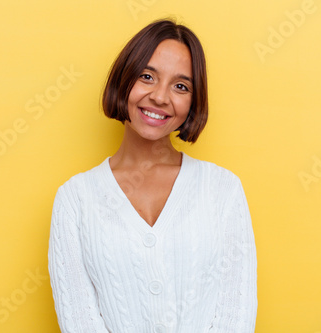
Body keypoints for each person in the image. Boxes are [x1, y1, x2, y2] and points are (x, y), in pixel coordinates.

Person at [48, 18, 257, 333]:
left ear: (193, 102)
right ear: (124, 79)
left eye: (180, 86)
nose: (160, 97)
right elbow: (79, 320)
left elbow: (236, 314)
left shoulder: (222, 190)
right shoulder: (75, 200)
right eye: (147, 76)